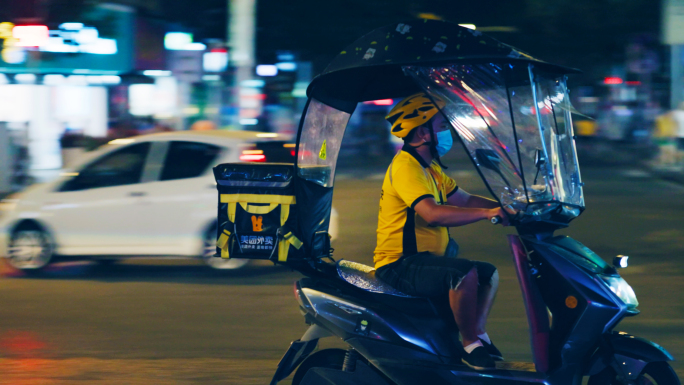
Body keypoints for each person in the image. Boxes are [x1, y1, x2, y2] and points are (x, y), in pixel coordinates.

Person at [374, 93, 509, 371]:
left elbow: (463, 199)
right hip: (400, 263)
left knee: (488, 274)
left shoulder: (430, 168)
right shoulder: (406, 167)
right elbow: (432, 214)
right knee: (462, 273)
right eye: (442, 126)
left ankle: (478, 334)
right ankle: (470, 345)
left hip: (424, 261)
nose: (447, 131)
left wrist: (507, 208)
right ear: (423, 133)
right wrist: (487, 214)